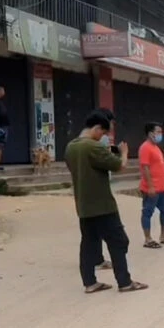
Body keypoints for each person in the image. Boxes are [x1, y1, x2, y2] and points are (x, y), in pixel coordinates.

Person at [64, 109, 148, 293]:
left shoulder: (71, 147)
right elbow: (119, 166)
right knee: (119, 241)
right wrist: (124, 153)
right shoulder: (93, 147)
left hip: (84, 204)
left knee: (88, 244)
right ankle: (125, 282)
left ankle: (90, 283)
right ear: (96, 128)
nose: (102, 137)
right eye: (102, 132)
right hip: (103, 204)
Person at [139, 122, 164, 249]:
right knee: (148, 212)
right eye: (158, 132)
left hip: (161, 187)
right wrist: (150, 186)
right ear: (150, 133)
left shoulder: (155, 147)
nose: (160, 134)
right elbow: (145, 168)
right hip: (151, 188)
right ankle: (148, 239)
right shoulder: (145, 148)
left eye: (161, 132)